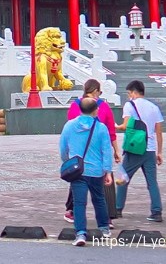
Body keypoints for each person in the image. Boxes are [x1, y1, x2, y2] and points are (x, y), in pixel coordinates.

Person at [63, 79, 121, 223]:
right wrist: (116, 151)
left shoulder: (74, 106)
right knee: (103, 187)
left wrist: (67, 158)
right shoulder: (104, 107)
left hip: (78, 155)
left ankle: (73, 213)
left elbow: (69, 132)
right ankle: (107, 218)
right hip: (98, 154)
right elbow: (111, 132)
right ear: (95, 91)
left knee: (77, 182)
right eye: (99, 92)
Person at [60, 96, 115, 246]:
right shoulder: (101, 128)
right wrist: (108, 171)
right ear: (95, 111)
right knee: (99, 199)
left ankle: (80, 234)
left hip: (77, 171)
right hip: (96, 171)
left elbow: (63, 149)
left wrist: (68, 162)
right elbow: (106, 151)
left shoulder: (69, 126)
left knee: (79, 202)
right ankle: (104, 229)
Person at [115, 79, 164, 222]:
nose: (129, 96)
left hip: (135, 149)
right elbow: (159, 132)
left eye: (129, 93)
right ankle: (156, 212)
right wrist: (159, 152)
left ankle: (117, 208)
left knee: (122, 178)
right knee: (152, 182)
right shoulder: (154, 108)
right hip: (150, 149)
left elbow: (125, 126)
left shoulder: (130, 105)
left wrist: (115, 126)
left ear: (134, 93)